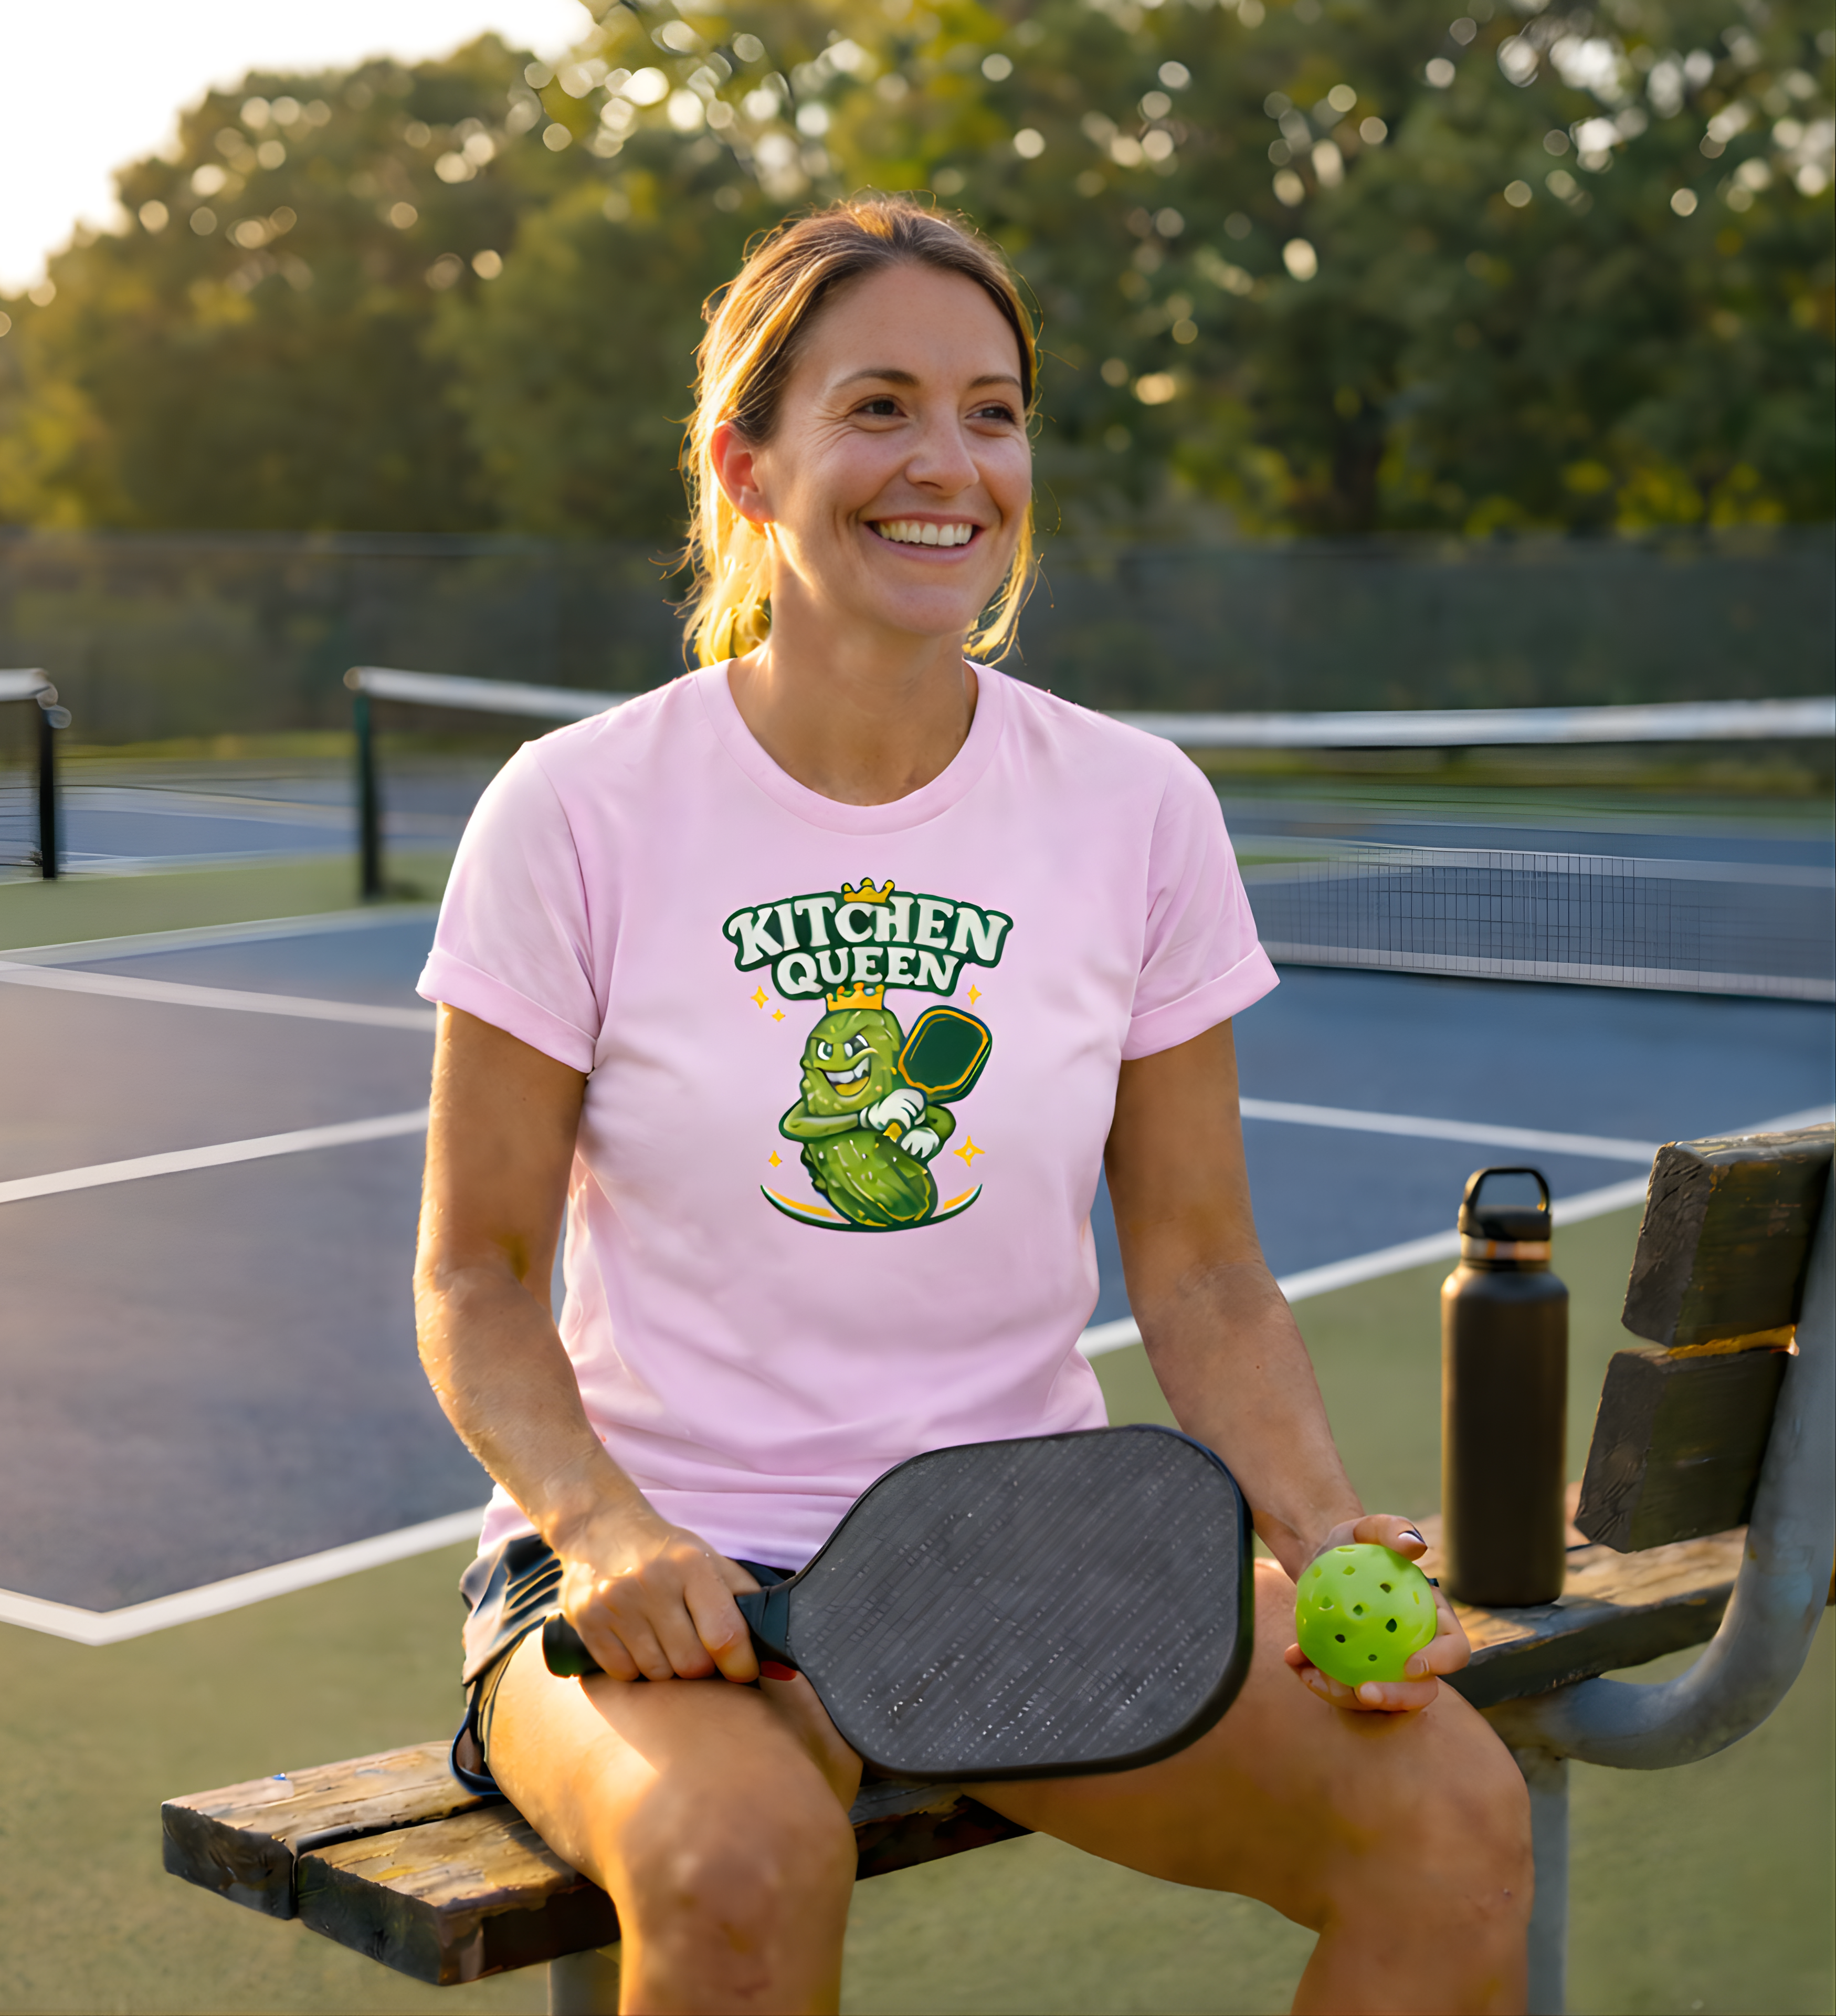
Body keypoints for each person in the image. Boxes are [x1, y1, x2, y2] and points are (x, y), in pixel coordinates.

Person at [414, 196, 1529, 2015]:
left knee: (1454, 1826)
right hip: (656, 1565)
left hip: (1015, 1550)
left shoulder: (1138, 807)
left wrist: (1321, 1524)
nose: (950, 463)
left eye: (992, 413)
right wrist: (606, 1531)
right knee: (742, 1864)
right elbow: (475, 1274)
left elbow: (1202, 1265)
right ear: (746, 465)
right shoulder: (572, 810)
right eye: (880, 407)